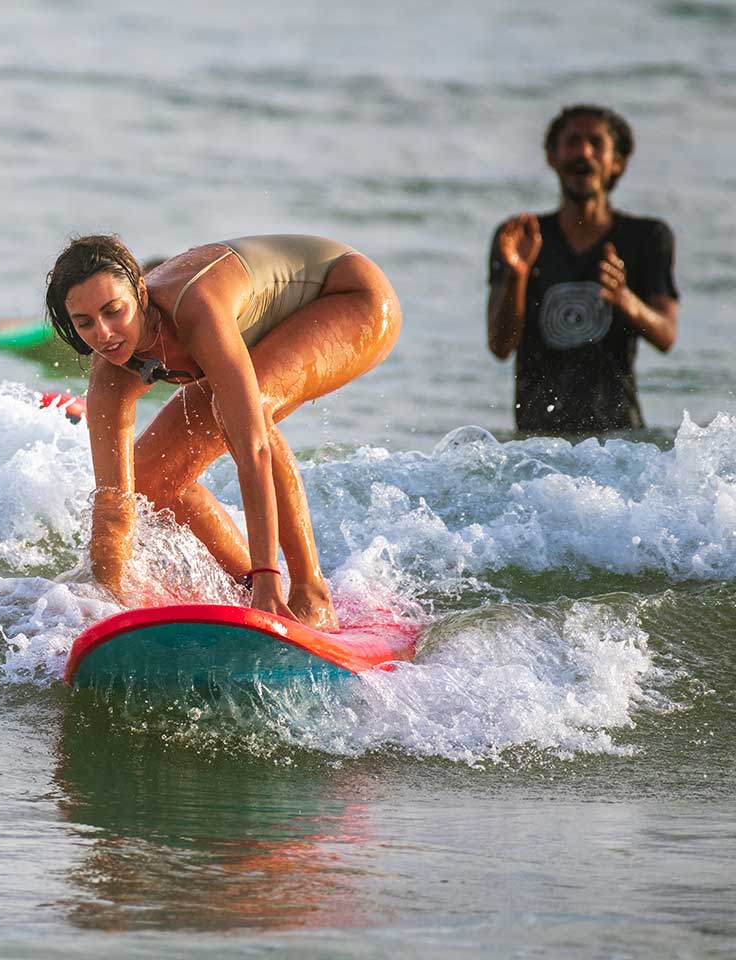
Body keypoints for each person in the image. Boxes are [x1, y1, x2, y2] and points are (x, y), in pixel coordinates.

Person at [45, 235, 401, 629]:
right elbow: (114, 504)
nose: (104, 334)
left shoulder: (194, 309)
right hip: (261, 336)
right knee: (148, 479)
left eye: (114, 311)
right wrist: (103, 604)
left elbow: (254, 447)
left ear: (141, 292)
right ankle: (248, 591)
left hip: (352, 298)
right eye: (85, 323)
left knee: (243, 412)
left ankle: (309, 595)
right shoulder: (109, 373)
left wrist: (270, 576)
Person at [487, 105, 679, 434]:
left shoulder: (647, 238)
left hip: (620, 442)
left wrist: (624, 298)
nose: (584, 152)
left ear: (617, 161)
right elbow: (500, 346)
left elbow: (666, 336)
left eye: (596, 143)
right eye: (572, 141)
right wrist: (517, 275)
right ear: (552, 156)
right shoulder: (520, 236)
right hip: (537, 443)